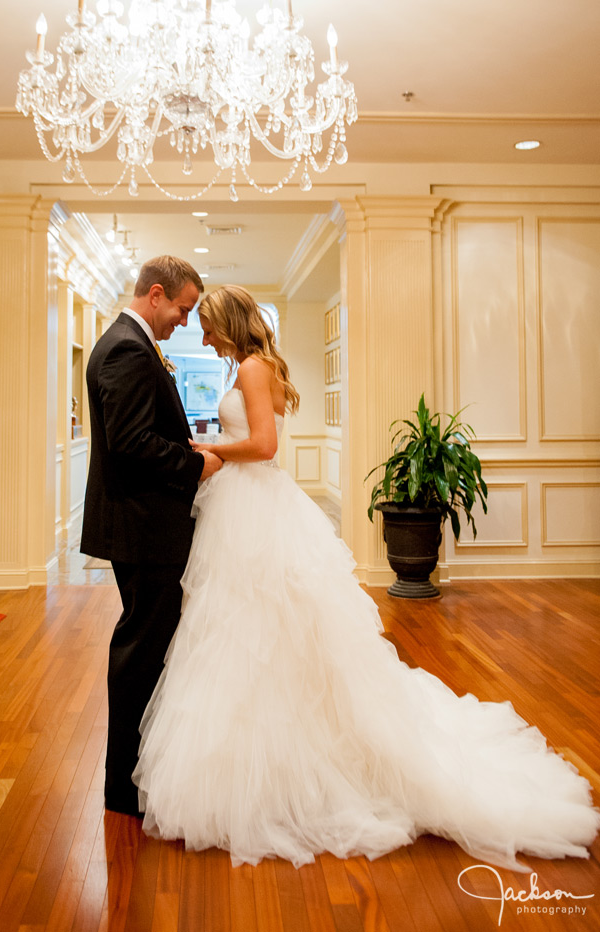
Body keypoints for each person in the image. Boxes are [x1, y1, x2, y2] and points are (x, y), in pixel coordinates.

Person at [133, 284, 599, 869]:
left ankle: (290, 765)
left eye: (208, 326)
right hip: (248, 507)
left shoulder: (251, 367)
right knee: (250, 629)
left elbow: (265, 445)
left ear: (228, 323)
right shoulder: (254, 364)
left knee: (254, 625)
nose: (202, 336)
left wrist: (209, 448)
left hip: (252, 508)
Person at [81, 256, 222, 817]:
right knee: (141, 650)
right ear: (157, 294)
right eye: (183, 310)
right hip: (143, 528)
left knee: (148, 646)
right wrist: (195, 465)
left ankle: (138, 772)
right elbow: (132, 442)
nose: (184, 323)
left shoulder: (131, 344)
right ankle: (124, 786)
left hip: (145, 524)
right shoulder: (126, 348)